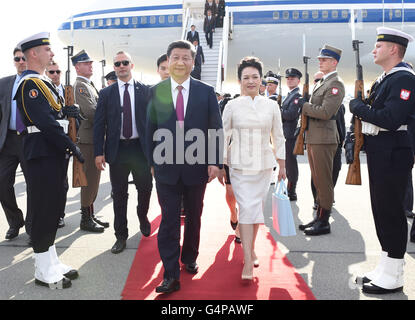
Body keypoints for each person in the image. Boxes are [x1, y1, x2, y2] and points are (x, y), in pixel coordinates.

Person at [146, 40, 223, 293]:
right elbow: (150, 130)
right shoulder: (155, 91)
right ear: (167, 62)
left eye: (185, 58)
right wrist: (152, 162)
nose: (180, 62)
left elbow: (215, 128)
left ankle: (189, 256)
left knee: (193, 216)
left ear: (193, 62)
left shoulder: (206, 91)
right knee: (168, 221)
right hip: (166, 168)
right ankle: (170, 274)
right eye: (175, 57)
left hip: (197, 167)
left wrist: (214, 161)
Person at [349, 27, 415, 294]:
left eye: (379, 46)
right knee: (381, 212)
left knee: (392, 214)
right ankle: (386, 269)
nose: (374, 50)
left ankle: (395, 274)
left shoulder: (404, 79)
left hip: (393, 154)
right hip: (382, 153)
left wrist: (358, 107)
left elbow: (391, 118)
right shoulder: (385, 79)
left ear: (394, 50)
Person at [15, 32, 83, 289]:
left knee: (54, 208)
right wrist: (72, 147)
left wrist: (68, 112)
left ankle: (51, 261)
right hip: (42, 153)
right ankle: (42, 269)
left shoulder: (44, 84)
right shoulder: (29, 85)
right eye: (48, 50)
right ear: (34, 53)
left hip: (52, 153)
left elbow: (54, 116)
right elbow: (45, 123)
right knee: (44, 210)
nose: (52, 54)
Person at [222, 56, 286, 280]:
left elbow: (278, 136)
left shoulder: (271, 105)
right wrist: (221, 165)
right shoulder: (231, 105)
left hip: (264, 167)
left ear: (261, 80)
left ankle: (250, 249)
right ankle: (248, 261)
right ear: (239, 80)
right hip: (239, 167)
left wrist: (282, 164)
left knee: (255, 210)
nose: (250, 81)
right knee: (247, 208)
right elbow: (223, 136)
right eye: (246, 77)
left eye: (255, 77)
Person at [94, 51, 153, 254]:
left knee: (145, 189)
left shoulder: (145, 91)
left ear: (132, 65)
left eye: (124, 62)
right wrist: (98, 152)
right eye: (117, 63)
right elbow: (99, 125)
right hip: (117, 151)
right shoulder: (106, 93)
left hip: (140, 150)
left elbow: (153, 123)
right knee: (119, 195)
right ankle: (121, 235)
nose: (121, 66)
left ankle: (142, 215)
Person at [297, 44, 345, 236]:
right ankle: (318, 217)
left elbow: (326, 112)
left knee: (324, 182)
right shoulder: (322, 82)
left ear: (334, 62)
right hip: (315, 137)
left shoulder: (336, 84)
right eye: (320, 59)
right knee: (317, 180)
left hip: (324, 139)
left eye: (324, 59)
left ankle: (324, 221)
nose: (320, 61)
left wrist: (304, 105)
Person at [73, 50, 108, 233]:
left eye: (90, 63)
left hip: (93, 138)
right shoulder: (80, 85)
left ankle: (90, 215)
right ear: (77, 67)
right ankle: (85, 219)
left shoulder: (89, 85)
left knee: (94, 180)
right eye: (86, 63)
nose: (90, 65)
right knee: (89, 180)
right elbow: (92, 112)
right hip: (87, 140)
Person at [0, 48, 29, 241]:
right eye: (17, 59)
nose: (20, 61)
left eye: (24, 58)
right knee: (2, 184)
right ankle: (15, 221)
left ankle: (34, 227)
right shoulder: (4, 84)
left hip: (30, 141)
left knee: (35, 187)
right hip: (8, 141)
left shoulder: (39, 82)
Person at [310, 71, 346, 209]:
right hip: (320, 141)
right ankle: (318, 200)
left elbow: (341, 124)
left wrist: (342, 142)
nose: (319, 82)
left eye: (321, 79)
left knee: (335, 171)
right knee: (318, 175)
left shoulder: (339, 103)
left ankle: (327, 197)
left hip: (335, 143)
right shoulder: (312, 102)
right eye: (317, 80)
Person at [45, 61, 69, 229]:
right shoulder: (42, 89)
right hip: (46, 141)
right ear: (46, 73)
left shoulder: (69, 91)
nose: (54, 75)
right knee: (46, 181)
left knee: (62, 181)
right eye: (51, 72)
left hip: (65, 141)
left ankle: (59, 214)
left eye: (57, 71)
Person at [280, 68, 303, 201]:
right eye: (288, 78)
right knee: (287, 163)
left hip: (291, 135)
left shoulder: (297, 97)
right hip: (286, 133)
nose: (289, 80)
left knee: (291, 163)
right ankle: (289, 188)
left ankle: (292, 190)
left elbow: (291, 115)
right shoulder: (290, 95)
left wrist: (278, 111)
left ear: (298, 80)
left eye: (292, 78)